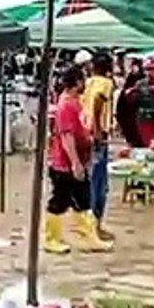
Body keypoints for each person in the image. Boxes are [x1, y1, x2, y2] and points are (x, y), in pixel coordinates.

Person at [44, 65, 112, 254]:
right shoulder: (65, 106)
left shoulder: (76, 102)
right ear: (76, 83)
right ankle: (51, 239)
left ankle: (89, 238)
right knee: (60, 201)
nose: (85, 83)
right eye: (82, 80)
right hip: (64, 165)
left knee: (83, 201)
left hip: (77, 161)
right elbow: (67, 137)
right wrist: (75, 163)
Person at [82, 52, 115, 241]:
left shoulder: (88, 82)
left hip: (87, 134)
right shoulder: (106, 84)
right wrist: (98, 132)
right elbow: (97, 106)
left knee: (93, 181)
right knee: (99, 183)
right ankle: (95, 226)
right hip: (97, 135)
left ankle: (92, 225)